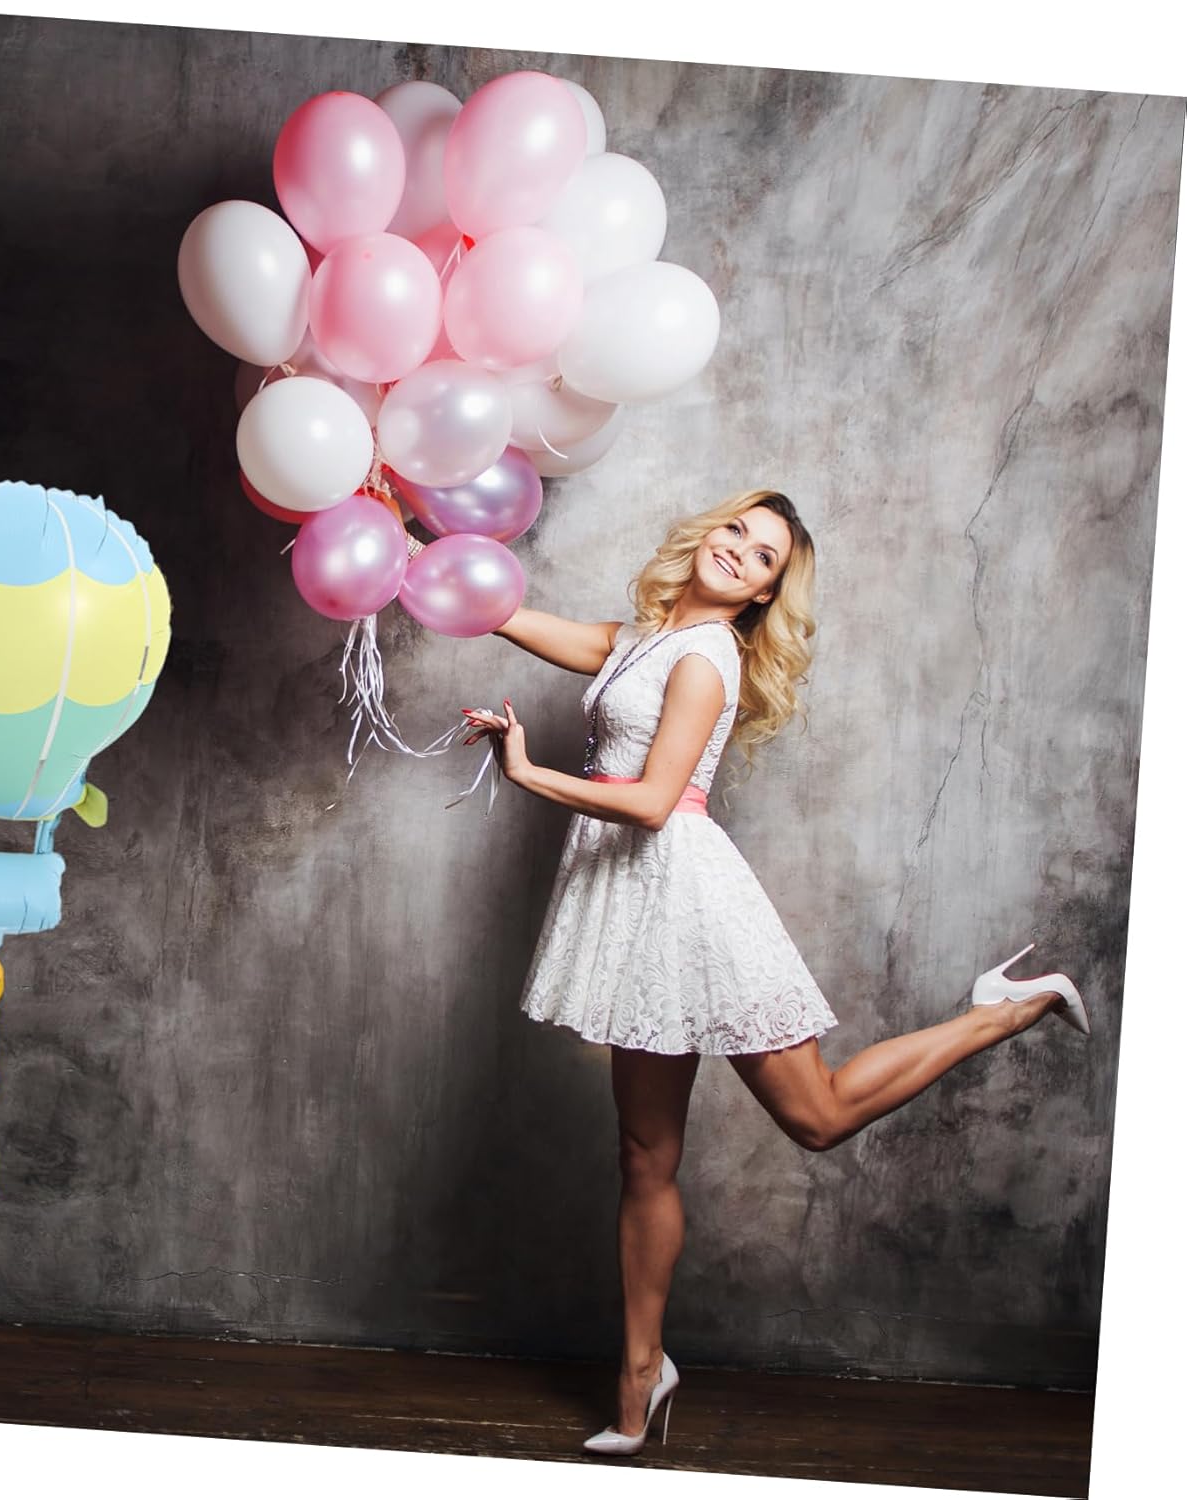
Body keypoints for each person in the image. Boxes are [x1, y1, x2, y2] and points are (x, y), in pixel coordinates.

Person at [459, 488, 1088, 1458]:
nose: (740, 553)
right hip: (633, 906)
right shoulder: (642, 637)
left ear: (762, 595)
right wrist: (412, 537)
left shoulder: (707, 657)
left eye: (762, 558)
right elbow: (510, 612)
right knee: (644, 1156)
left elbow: (656, 802)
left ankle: (1001, 1010)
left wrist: (529, 772)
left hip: (689, 899)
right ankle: (640, 1378)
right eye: (737, 533)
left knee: (818, 1117)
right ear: (707, 533)